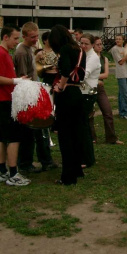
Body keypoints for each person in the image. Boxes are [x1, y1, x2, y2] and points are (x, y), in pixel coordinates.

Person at [0, 25, 30, 186]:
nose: (17, 41)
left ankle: (2, 170)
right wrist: (16, 81)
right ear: (5, 37)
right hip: (3, 100)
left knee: (1, 136)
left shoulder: (5, 53)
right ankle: (13, 173)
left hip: (3, 99)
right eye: (15, 38)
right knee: (13, 137)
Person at [14, 22, 57, 173]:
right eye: (32, 37)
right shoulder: (21, 52)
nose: (35, 39)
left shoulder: (30, 49)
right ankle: (25, 164)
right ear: (24, 36)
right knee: (28, 132)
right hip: (28, 96)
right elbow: (22, 77)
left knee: (40, 130)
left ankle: (45, 160)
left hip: (34, 92)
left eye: (37, 36)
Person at [50, 25, 87, 185]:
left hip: (67, 95)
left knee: (65, 136)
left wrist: (60, 86)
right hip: (78, 93)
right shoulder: (80, 50)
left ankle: (68, 177)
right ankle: (77, 169)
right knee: (76, 133)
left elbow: (65, 71)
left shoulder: (65, 50)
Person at [93, 37, 123, 145]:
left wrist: (92, 76)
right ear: (93, 45)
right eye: (98, 44)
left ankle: (111, 138)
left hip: (100, 88)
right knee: (89, 114)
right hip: (90, 88)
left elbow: (105, 75)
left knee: (108, 111)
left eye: (101, 44)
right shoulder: (88, 58)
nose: (100, 46)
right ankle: (92, 138)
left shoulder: (104, 58)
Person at [78, 34, 98, 167]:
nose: (83, 46)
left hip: (88, 93)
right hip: (82, 92)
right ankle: (84, 156)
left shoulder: (93, 57)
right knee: (82, 125)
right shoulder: (82, 55)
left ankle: (87, 158)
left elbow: (83, 75)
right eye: (82, 43)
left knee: (84, 126)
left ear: (92, 45)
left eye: (86, 44)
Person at [110, 34, 127, 120]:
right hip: (121, 73)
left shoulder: (123, 49)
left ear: (123, 40)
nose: (118, 40)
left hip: (126, 72)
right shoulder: (115, 49)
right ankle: (124, 113)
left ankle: (121, 112)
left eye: (119, 39)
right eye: (116, 39)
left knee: (121, 94)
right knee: (124, 94)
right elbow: (121, 62)